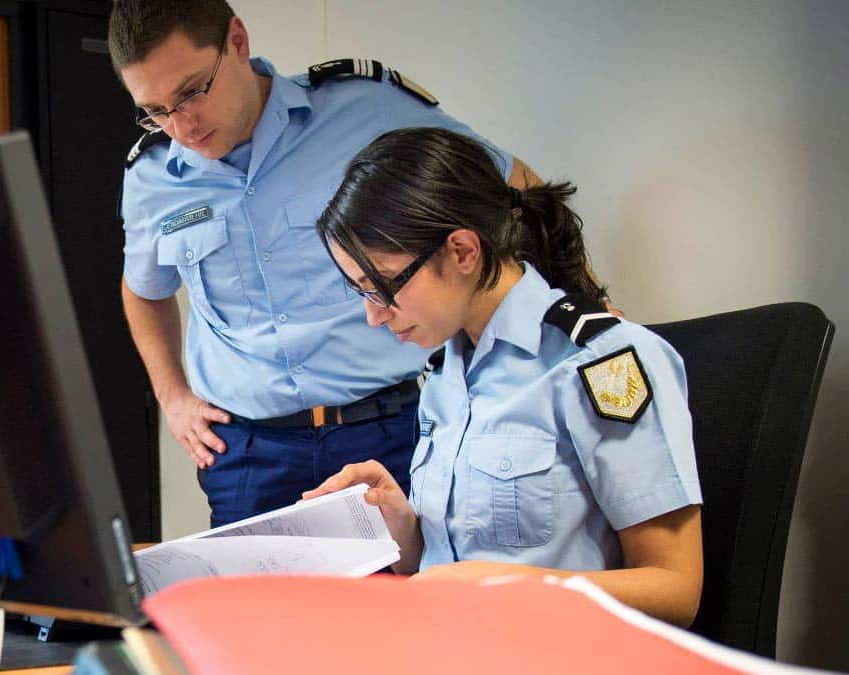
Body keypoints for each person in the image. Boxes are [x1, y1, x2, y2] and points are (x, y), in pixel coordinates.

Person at [111, 0, 544, 526]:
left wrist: (576, 322)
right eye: (155, 111)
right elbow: (143, 289)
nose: (180, 126)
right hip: (249, 453)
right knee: (258, 609)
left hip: (391, 429)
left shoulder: (368, 109)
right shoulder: (152, 178)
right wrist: (172, 396)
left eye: (191, 92)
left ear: (237, 42)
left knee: (414, 602)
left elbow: (517, 185)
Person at [304, 127, 703, 627]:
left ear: (463, 252)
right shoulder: (445, 374)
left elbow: (675, 590)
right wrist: (405, 530)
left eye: (383, 287)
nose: (374, 316)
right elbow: (454, 566)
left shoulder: (599, 362)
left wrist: (505, 590)